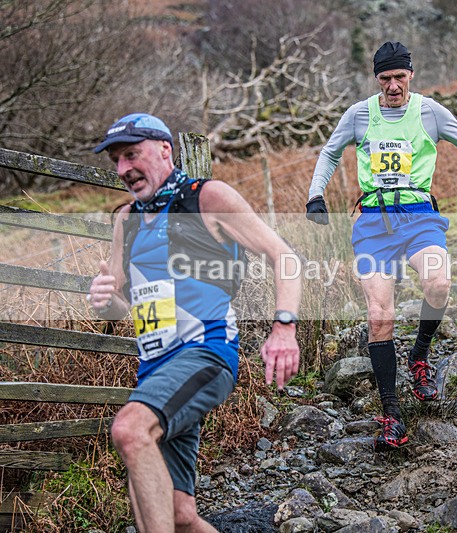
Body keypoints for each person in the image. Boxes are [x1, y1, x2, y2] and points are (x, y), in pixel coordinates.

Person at [87, 113, 302, 532]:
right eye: (116, 159)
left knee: (130, 430)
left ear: (165, 150)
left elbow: (286, 257)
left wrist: (284, 328)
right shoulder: (125, 220)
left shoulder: (208, 198)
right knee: (180, 516)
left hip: (205, 353)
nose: (123, 169)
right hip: (154, 370)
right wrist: (103, 300)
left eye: (132, 154)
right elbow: (120, 307)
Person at [305, 41, 457, 449]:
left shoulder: (430, 111)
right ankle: (391, 414)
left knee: (438, 283)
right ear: (377, 79)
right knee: (380, 316)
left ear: (411, 75)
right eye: (385, 79)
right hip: (373, 222)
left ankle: (419, 357)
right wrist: (316, 195)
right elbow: (329, 153)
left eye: (399, 77)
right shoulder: (360, 114)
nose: (393, 86)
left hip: (418, 217)